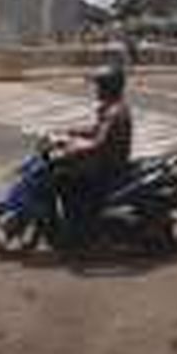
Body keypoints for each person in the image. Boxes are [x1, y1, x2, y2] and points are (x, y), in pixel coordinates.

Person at [52, 65, 134, 241]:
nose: (96, 89)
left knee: (63, 177)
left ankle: (81, 225)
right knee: (65, 172)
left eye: (99, 85)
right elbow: (96, 130)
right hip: (105, 159)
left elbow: (99, 144)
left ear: (108, 87)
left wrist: (72, 148)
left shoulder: (115, 112)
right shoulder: (111, 107)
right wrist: (71, 132)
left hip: (109, 164)